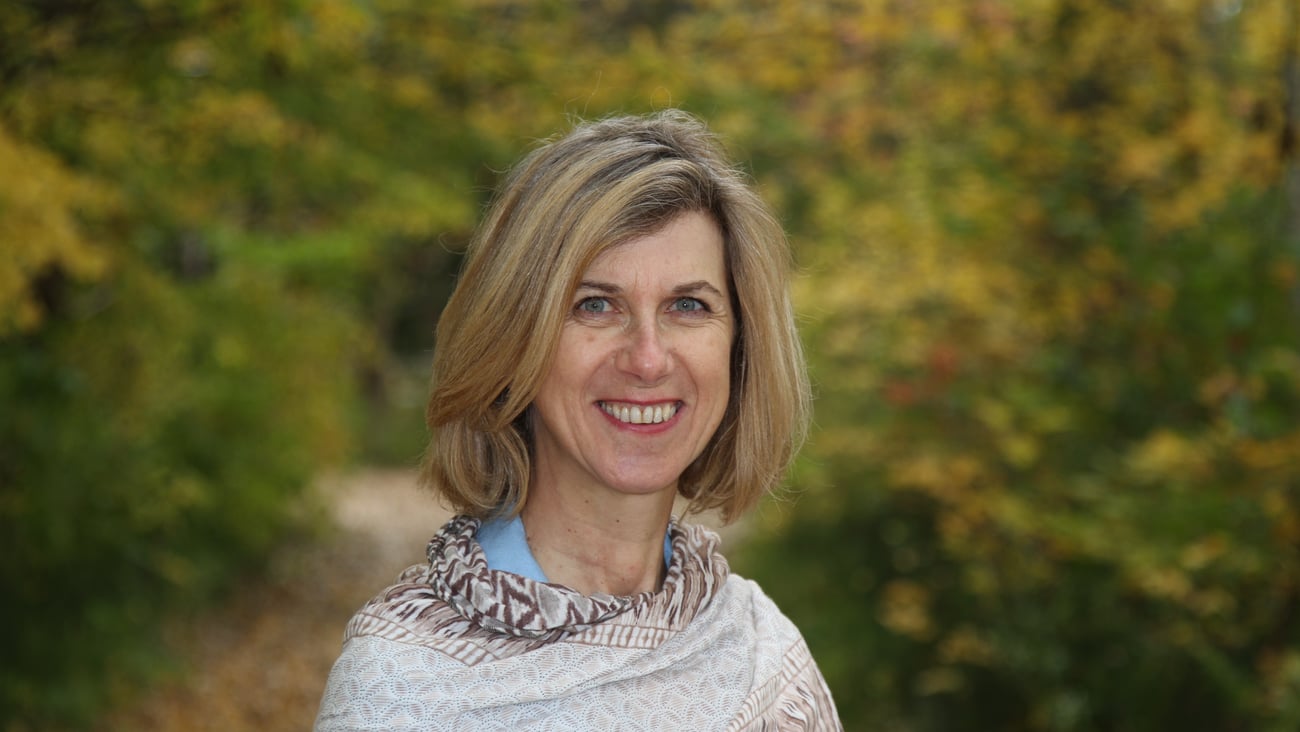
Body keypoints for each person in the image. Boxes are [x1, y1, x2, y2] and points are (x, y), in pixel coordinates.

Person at [315, 110, 841, 730]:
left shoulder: (765, 662)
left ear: (739, 348)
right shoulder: (402, 687)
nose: (647, 358)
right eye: (595, 305)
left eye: (688, 305)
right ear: (515, 339)